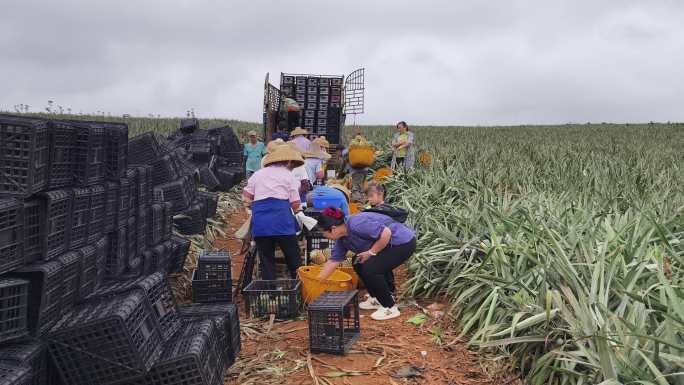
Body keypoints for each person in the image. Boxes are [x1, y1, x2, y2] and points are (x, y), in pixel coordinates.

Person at [315, 207, 417, 321]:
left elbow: (386, 233)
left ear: (333, 229)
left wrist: (371, 252)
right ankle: (377, 298)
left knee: (370, 269)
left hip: (402, 242)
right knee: (357, 262)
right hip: (386, 245)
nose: (325, 237)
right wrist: (317, 280)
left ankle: (389, 307)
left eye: (324, 234)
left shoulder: (356, 223)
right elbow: (334, 261)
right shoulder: (342, 239)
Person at [243, 144, 304, 280]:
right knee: (293, 257)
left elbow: (246, 197)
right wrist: (300, 215)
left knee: (266, 259)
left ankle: (270, 294)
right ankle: (299, 288)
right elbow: (295, 203)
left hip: (261, 222)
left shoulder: (258, 174)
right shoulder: (288, 176)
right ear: (288, 162)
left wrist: (249, 209)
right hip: (282, 220)